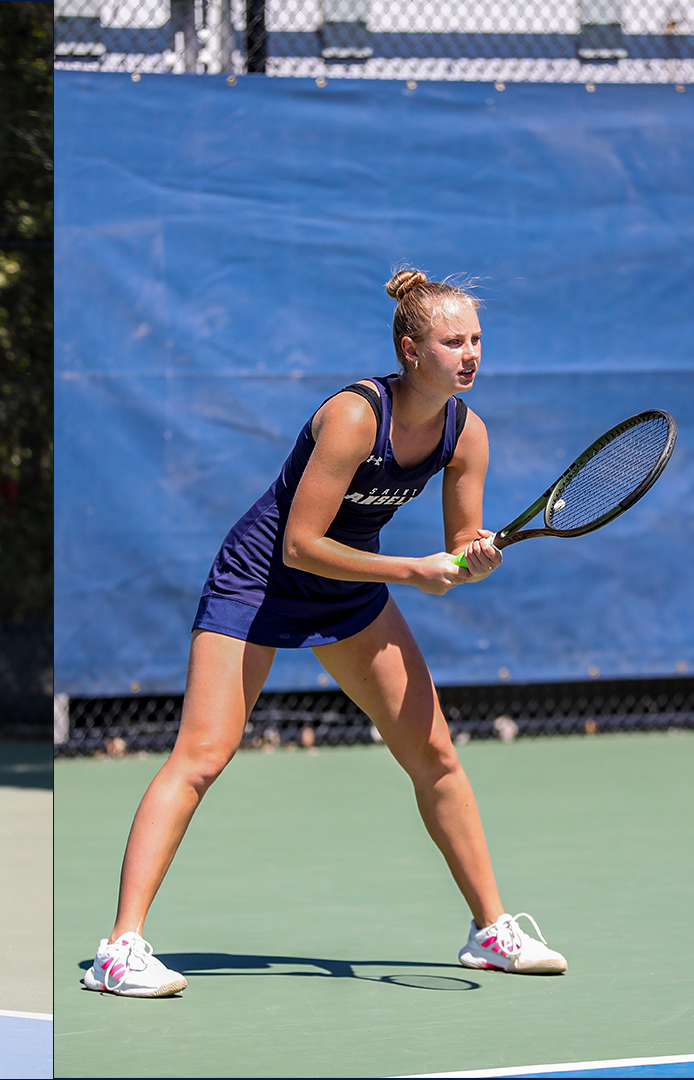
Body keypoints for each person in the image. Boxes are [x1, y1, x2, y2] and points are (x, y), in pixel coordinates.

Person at [83, 268, 567, 998]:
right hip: (260, 583)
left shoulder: (467, 434)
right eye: (451, 341)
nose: (469, 355)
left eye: (475, 340)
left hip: (351, 591)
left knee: (434, 751)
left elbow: (461, 545)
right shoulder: (352, 416)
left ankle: (491, 932)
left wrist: (475, 560)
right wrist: (412, 571)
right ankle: (118, 951)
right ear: (410, 349)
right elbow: (300, 546)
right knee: (202, 756)